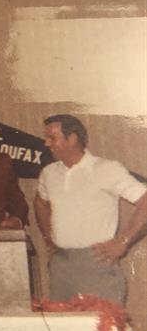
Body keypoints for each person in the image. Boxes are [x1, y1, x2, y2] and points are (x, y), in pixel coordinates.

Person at [34, 114, 147, 304]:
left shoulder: (107, 169)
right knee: (61, 321)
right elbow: (40, 202)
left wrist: (123, 241)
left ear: (72, 138)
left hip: (96, 262)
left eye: (52, 137)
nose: (46, 143)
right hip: (61, 264)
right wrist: (48, 239)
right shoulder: (49, 173)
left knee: (102, 322)